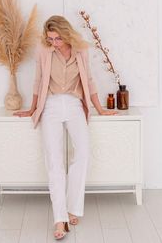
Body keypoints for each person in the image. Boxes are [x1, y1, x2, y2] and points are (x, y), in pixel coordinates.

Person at [13, 15, 118, 240]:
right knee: (54, 161)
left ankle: (73, 208)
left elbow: (88, 80)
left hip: (73, 104)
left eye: (58, 38)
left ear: (66, 34)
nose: (54, 43)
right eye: (50, 39)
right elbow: (38, 81)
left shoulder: (81, 49)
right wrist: (32, 109)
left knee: (82, 154)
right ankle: (59, 220)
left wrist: (99, 109)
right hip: (50, 104)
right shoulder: (44, 50)